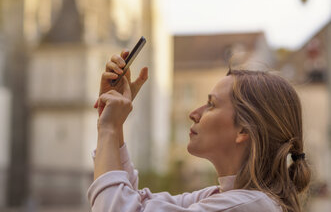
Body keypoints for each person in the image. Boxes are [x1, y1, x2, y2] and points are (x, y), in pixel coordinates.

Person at [87, 50, 311, 212]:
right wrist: (113, 126)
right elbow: (134, 204)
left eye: (211, 105)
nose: (194, 113)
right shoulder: (226, 197)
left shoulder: (247, 206)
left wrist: (108, 128)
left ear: (244, 129)